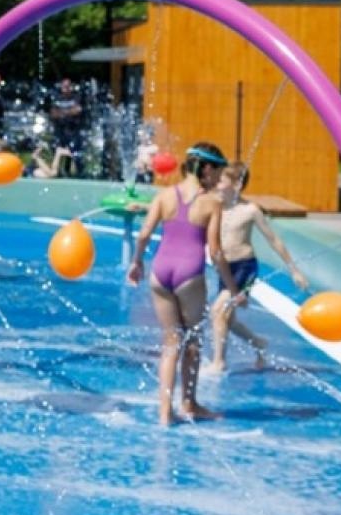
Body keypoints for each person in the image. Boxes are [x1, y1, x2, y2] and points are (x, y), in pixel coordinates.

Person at [125, 142, 239, 425]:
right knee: (193, 342)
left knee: (170, 343)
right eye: (217, 173)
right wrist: (232, 288)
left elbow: (143, 234)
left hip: (160, 273)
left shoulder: (165, 196)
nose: (217, 180)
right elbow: (216, 251)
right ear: (207, 168)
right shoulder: (212, 203)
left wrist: (137, 263)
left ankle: (165, 412)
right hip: (189, 275)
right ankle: (189, 404)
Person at [207, 162, 309, 374]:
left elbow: (274, 240)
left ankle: (219, 362)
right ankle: (258, 342)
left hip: (244, 267)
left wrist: (294, 270)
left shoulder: (250, 210)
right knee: (228, 319)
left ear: (237, 184)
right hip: (225, 268)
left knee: (218, 311)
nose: (217, 184)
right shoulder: (215, 207)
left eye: (222, 181)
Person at [49, 78, 84, 177]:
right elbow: (53, 114)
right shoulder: (57, 98)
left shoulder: (76, 97)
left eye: (68, 86)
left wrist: (62, 112)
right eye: (64, 86)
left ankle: (79, 173)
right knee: (57, 151)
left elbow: (78, 110)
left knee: (75, 152)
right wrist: (69, 112)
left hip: (73, 130)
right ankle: (57, 171)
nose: (66, 89)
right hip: (60, 131)